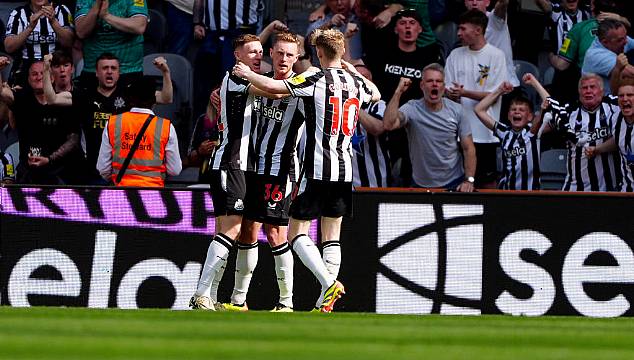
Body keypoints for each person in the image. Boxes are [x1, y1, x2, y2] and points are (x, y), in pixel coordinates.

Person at [232, 29, 381, 312]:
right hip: (345, 170)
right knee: (332, 236)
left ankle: (328, 284)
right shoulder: (354, 82)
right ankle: (324, 303)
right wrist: (351, 68)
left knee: (297, 234)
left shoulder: (315, 77)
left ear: (320, 54)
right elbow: (376, 93)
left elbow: (277, 88)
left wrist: (247, 74)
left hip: (317, 169)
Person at [222, 32, 306, 312]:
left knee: (275, 234)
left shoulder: (302, 86)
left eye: (290, 55)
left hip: (280, 170)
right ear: (271, 53)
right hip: (252, 168)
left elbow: (275, 90)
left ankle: (286, 302)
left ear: (297, 58)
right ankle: (238, 301)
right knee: (248, 231)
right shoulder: (256, 79)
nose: (283, 59)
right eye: (279, 53)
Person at [190, 34, 266, 311]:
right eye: (252, 52)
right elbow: (275, 90)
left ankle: (214, 296)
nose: (259, 56)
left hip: (248, 167)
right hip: (230, 163)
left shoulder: (245, 78)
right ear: (237, 56)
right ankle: (201, 293)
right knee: (230, 229)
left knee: (238, 232)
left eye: (260, 51)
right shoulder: (236, 80)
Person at [43, 53, 173, 185]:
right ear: (97, 73)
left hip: (122, 170)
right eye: (105, 68)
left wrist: (165, 72)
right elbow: (51, 99)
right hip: (92, 171)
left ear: (119, 73)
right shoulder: (85, 95)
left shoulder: (130, 95)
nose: (109, 72)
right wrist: (47, 70)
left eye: (113, 68)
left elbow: (166, 98)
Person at [384, 63, 476, 191]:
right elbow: (388, 124)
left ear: (443, 87)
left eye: (438, 81)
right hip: (420, 184)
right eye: (429, 81)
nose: (434, 84)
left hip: (454, 182)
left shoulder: (457, 110)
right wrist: (398, 92)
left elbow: (468, 148)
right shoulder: (412, 108)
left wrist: (469, 180)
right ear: (422, 85)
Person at [444, 9, 507, 188]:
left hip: (485, 132)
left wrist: (465, 93)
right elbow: (447, 89)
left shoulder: (496, 56)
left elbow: (495, 95)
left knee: (487, 182)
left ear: (478, 30)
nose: (458, 33)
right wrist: (452, 94)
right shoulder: (455, 55)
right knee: (458, 182)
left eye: (463, 29)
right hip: (458, 131)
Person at [0, 58, 83, 185]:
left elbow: (73, 140)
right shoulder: (22, 99)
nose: (39, 77)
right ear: (28, 79)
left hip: (61, 172)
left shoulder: (65, 100)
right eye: (34, 74)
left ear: (52, 79)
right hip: (28, 172)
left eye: (43, 73)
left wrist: (49, 159)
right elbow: (2, 92)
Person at [96, 76, 182, 186]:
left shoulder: (113, 123)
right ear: (153, 100)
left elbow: (102, 168)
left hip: (120, 194)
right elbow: (175, 170)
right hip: (153, 194)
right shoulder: (166, 127)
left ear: (130, 99)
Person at [547, 73, 623, 191]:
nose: (588, 91)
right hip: (575, 188)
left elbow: (621, 137)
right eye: (584, 88)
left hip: (610, 189)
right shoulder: (569, 111)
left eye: (592, 87)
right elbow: (545, 118)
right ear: (579, 93)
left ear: (602, 91)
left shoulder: (614, 106)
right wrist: (543, 110)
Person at [475, 74, 551, 190]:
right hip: (506, 194)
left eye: (521, 110)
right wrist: (500, 90)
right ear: (508, 116)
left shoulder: (534, 131)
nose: (517, 112)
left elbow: (552, 106)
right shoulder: (503, 132)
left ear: (530, 116)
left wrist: (534, 82)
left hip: (531, 195)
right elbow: (479, 110)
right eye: (513, 109)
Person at [75, 0, 148, 88]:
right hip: (93, 71)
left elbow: (139, 26)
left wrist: (106, 16)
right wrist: (97, 4)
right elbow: (81, 32)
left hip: (129, 69)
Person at [4, 0, 74, 85]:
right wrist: (30, 28)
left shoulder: (61, 10)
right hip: (27, 67)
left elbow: (69, 42)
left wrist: (53, 21)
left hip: (55, 66)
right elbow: (9, 47)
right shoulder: (18, 13)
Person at [585, 79, 634, 191]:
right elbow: (618, 140)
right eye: (621, 96)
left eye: (630, 95)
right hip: (627, 191)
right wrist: (597, 149)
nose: (625, 99)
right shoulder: (615, 119)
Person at [352, 64, 391, 188]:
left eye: (365, 77)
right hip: (344, 184)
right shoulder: (336, 106)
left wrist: (353, 104)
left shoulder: (378, 105)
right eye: (356, 77)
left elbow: (378, 128)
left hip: (374, 181)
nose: (360, 81)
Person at [464, 0, 519, 87]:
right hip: (479, 85)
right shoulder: (464, 28)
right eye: (470, 0)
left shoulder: (494, 20)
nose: (474, 3)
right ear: (465, 3)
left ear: (487, 2)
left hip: (504, 86)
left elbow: (503, 3)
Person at [582, 19, 634, 95]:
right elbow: (632, 73)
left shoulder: (618, 39)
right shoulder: (596, 55)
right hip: (601, 102)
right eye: (620, 40)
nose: (626, 41)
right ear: (605, 42)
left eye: (625, 36)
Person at [305, 0, 362, 66]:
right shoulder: (320, 20)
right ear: (327, 2)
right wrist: (330, 24)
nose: (339, 3)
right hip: (328, 71)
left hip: (359, 69)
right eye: (333, 0)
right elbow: (308, 42)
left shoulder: (360, 16)